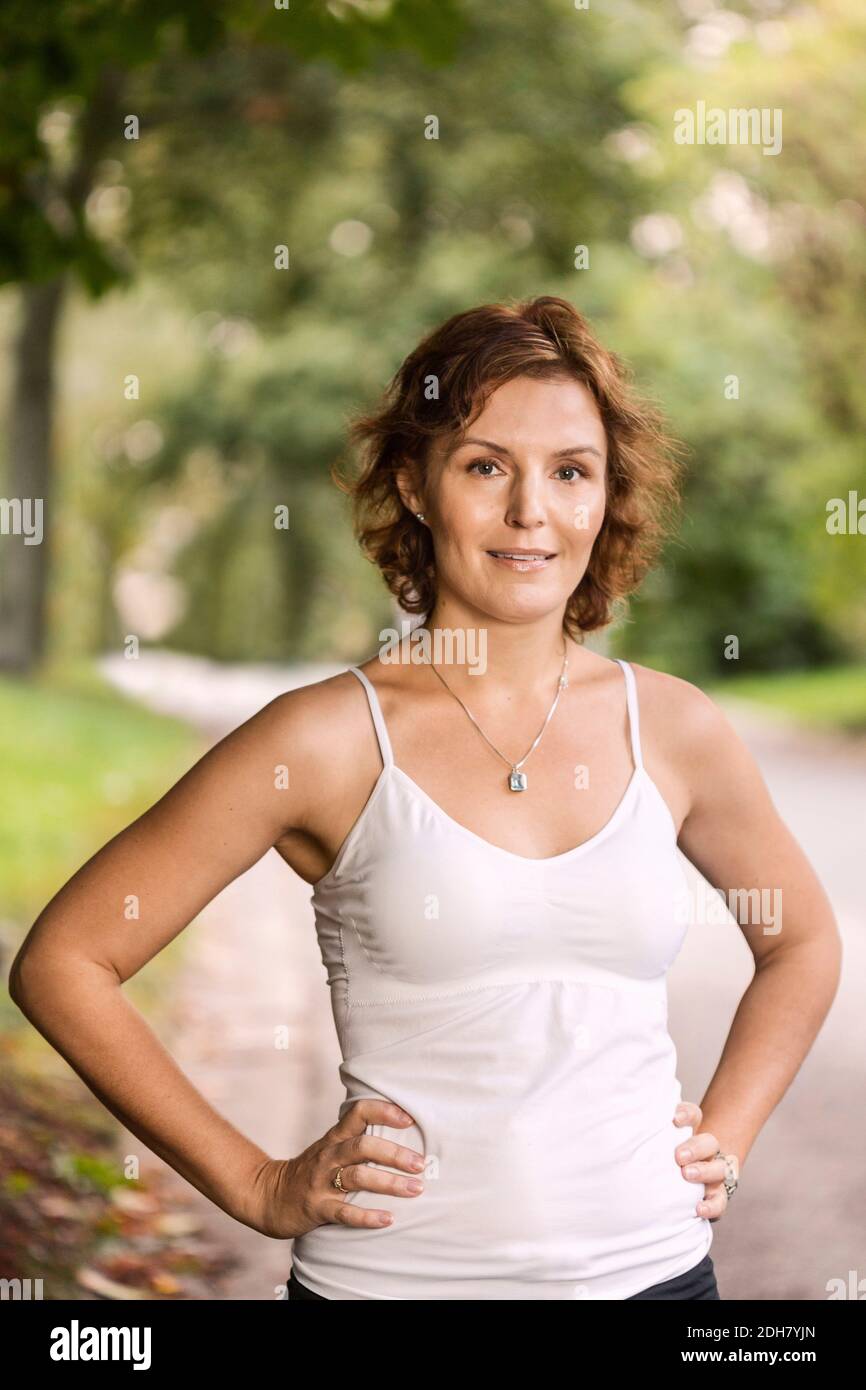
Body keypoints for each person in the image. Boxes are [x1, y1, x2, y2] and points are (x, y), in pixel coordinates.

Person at [10, 296, 841, 1302]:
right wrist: (257, 1182)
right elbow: (66, 960)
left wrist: (727, 1131)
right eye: (485, 466)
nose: (530, 511)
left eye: (569, 471)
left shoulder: (670, 727)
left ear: (604, 497)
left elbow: (799, 941)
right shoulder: (320, 738)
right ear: (413, 485)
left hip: (657, 1279)